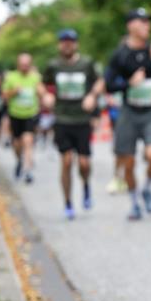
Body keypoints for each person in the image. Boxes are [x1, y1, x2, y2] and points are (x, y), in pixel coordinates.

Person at [105, 8, 151, 220]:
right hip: (129, 111)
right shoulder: (120, 54)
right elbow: (109, 84)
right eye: (142, 21)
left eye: (148, 21)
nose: (147, 25)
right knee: (128, 162)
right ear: (130, 25)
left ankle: (147, 188)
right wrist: (128, 83)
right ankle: (134, 202)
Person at [42, 29, 104, 220]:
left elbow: (100, 82)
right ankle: (68, 203)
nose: (67, 45)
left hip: (82, 119)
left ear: (76, 44)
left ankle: (86, 185)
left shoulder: (86, 63)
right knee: (67, 161)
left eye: (70, 41)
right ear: (59, 44)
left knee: (84, 163)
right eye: (64, 42)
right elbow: (41, 84)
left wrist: (92, 96)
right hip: (62, 119)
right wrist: (45, 95)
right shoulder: (53, 65)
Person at [3, 53, 46, 184]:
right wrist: (13, 92)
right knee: (17, 143)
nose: (25, 67)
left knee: (28, 141)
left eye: (27, 65)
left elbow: (42, 92)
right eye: (22, 65)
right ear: (18, 65)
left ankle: (28, 171)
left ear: (30, 65)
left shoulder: (35, 77)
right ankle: (19, 161)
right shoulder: (11, 77)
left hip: (30, 114)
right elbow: (4, 96)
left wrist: (42, 94)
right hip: (15, 114)